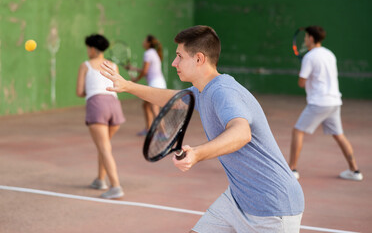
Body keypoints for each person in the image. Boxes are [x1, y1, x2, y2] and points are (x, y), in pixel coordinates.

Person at [100, 25, 304, 232]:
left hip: (273, 204)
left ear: (199, 59)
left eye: (179, 56)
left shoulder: (222, 91)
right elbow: (171, 98)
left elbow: (242, 133)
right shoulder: (202, 90)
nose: (173, 62)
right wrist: (128, 86)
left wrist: (197, 153)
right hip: (239, 197)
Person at [288, 26, 363, 181]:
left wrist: (304, 76)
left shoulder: (309, 57)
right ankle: (355, 171)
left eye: (306, 37)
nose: (304, 40)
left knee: (297, 131)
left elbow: (301, 83)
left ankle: (292, 170)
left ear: (310, 38)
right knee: (339, 135)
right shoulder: (330, 54)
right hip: (335, 102)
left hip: (319, 103)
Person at [76, 34, 125, 199]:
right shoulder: (113, 65)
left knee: (104, 148)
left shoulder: (85, 65)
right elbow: (116, 86)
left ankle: (116, 186)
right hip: (114, 106)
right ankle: (100, 180)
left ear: (91, 48)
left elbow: (79, 92)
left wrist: (90, 91)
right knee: (105, 146)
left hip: (97, 106)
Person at [126, 35, 167, 136]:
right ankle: (148, 129)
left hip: (155, 85)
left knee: (154, 109)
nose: (143, 42)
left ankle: (164, 133)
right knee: (146, 106)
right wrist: (133, 69)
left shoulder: (148, 53)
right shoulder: (153, 53)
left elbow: (145, 72)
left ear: (148, 43)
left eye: (144, 40)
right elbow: (147, 70)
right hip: (159, 83)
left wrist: (136, 79)